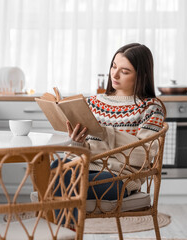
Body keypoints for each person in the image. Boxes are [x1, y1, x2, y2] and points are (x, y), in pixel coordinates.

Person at [52, 43, 166, 203]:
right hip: (86, 168)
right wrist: (77, 143)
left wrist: (106, 133)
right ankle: (68, 226)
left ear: (142, 76)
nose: (115, 75)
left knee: (64, 183)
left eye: (124, 71)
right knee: (57, 165)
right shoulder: (92, 103)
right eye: (113, 67)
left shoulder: (150, 108)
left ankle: (62, 226)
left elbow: (143, 157)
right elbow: (76, 156)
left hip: (120, 178)